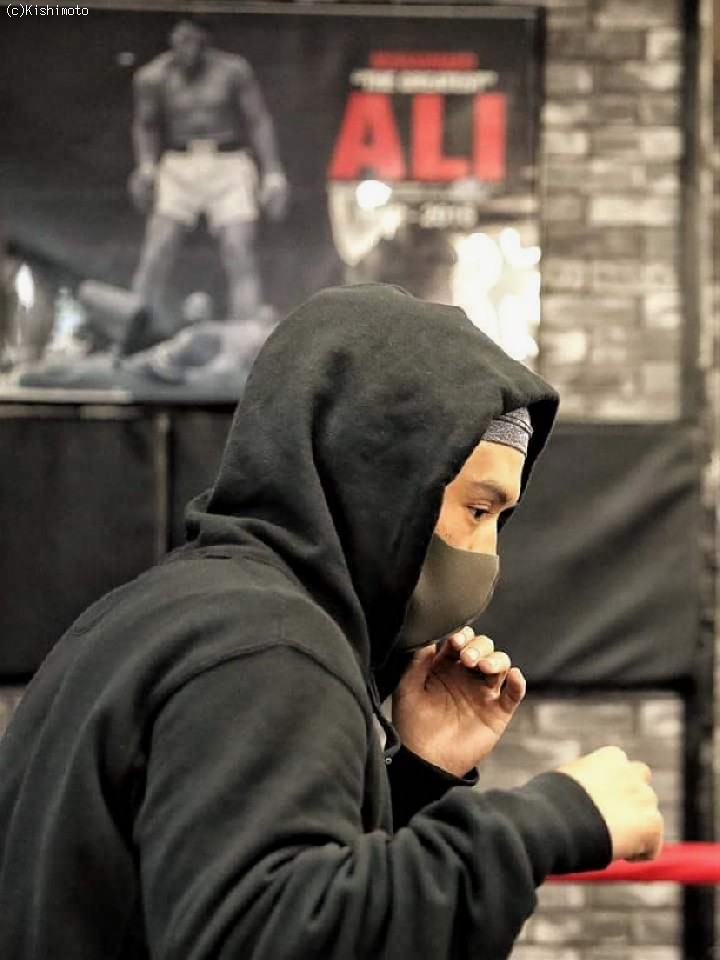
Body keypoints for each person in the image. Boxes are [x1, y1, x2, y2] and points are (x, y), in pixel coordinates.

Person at [0, 284, 663, 959]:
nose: (487, 554)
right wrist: (548, 821)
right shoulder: (268, 649)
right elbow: (271, 939)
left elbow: (195, 890)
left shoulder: (170, 612)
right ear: (387, 481)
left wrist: (415, 778)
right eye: (476, 510)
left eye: (500, 519)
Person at [130, 17, 288, 339]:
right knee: (157, 248)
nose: (186, 47)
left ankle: (245, 337)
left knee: (238, 250)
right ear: (171, 40)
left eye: (192, 39)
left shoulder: (232, 70)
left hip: (228, 161)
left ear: (205, 40)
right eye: (180, 39)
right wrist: (146, 166)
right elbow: (145, 125)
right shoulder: (153, 76)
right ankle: (132, 332)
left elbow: (258, 119)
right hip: (179, 163)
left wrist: (272, 172)